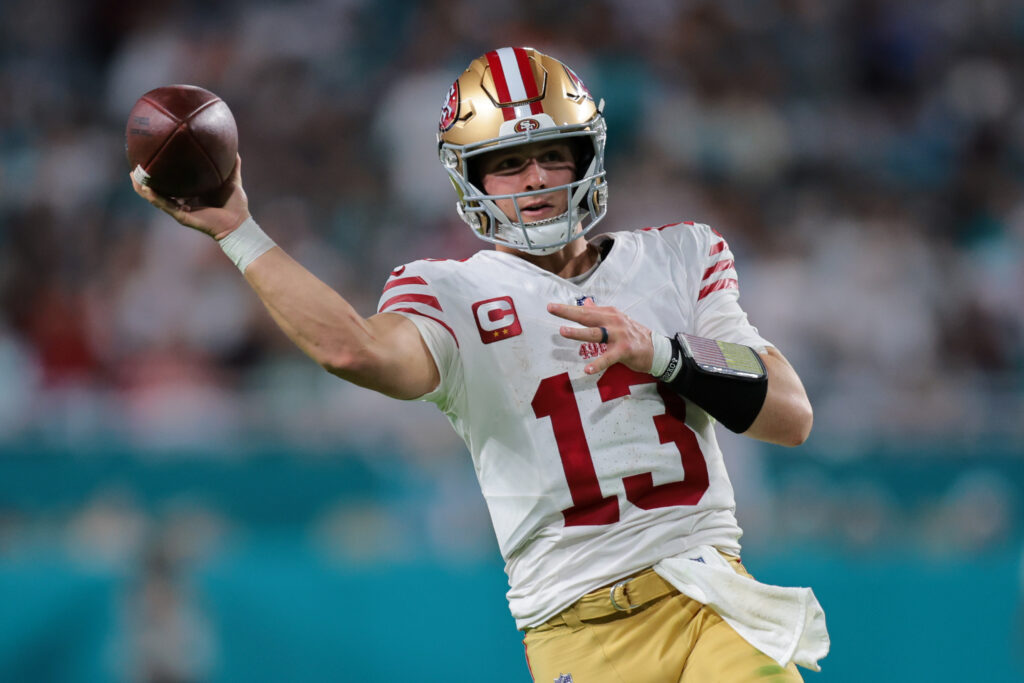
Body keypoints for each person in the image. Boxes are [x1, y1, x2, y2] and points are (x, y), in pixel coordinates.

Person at [132, 47, 829, 682]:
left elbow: (790, 412)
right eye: (507, 162)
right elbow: (354, 349)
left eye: (552, 154)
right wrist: (239, 231)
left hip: (710, 596)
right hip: (578, 628)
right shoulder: (451, 289)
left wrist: (667, 352)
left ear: (586, 156)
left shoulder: (682, 255)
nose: (535, 180)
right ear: (471, 179)